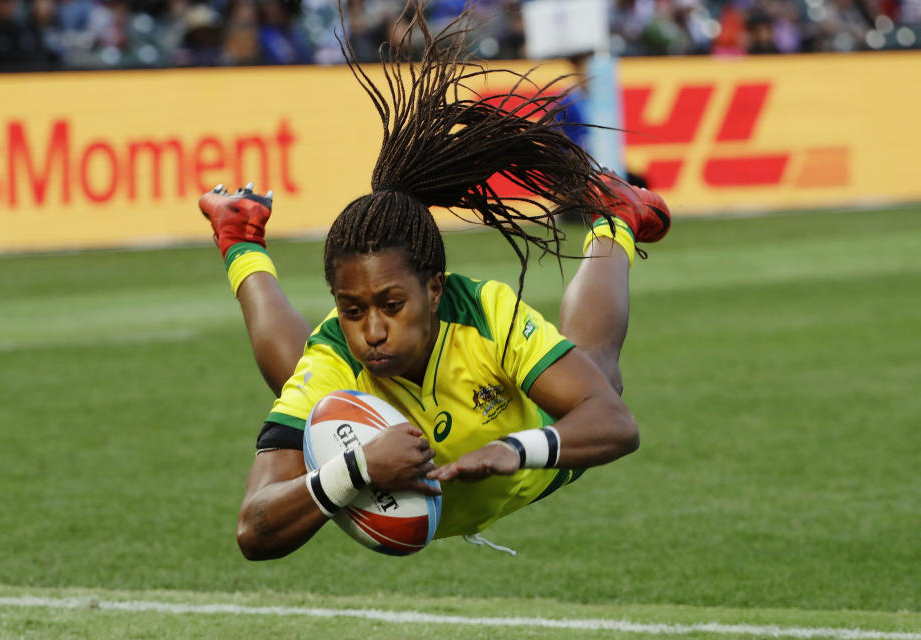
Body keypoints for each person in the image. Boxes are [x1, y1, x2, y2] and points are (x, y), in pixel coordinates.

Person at [198, 2, 671, 560]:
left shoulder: (485, 313)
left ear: (435, 290)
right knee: (304, 377)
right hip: (373, 437)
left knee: (598, 376)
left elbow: (616, 425)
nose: (373, 329)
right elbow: (253, 530)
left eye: (391, 304)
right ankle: (240, 239)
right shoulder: (335, 354)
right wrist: (353, 471)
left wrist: (515, 449)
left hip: (526, 461)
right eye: (352, 309)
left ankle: (613, 217)